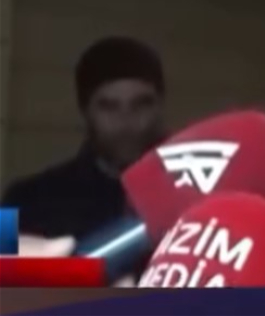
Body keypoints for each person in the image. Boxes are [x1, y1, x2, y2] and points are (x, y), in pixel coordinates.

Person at [2, 36, 167, 240]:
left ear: (160, 106)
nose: (126, 120)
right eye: (108, 106)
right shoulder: (21, 201)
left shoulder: (194, 197)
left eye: (141, 104)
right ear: (85, 110)